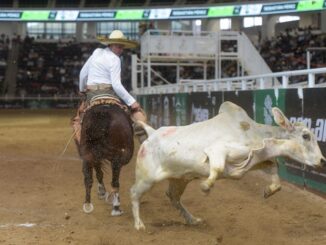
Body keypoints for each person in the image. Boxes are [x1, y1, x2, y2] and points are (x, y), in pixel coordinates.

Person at [72, 30, 146, 143]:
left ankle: (82, 143)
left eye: (122, 47)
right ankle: (144, 140)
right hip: (109, 92)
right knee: (137, 113)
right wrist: (132, 102)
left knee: (78, 120)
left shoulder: (96, 52)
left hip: (91, 93)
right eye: (118, 46)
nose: (120, 49)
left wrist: (82, 90)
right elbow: (116, 85)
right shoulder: (115, 59)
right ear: (110, 45)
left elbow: (82, 74)